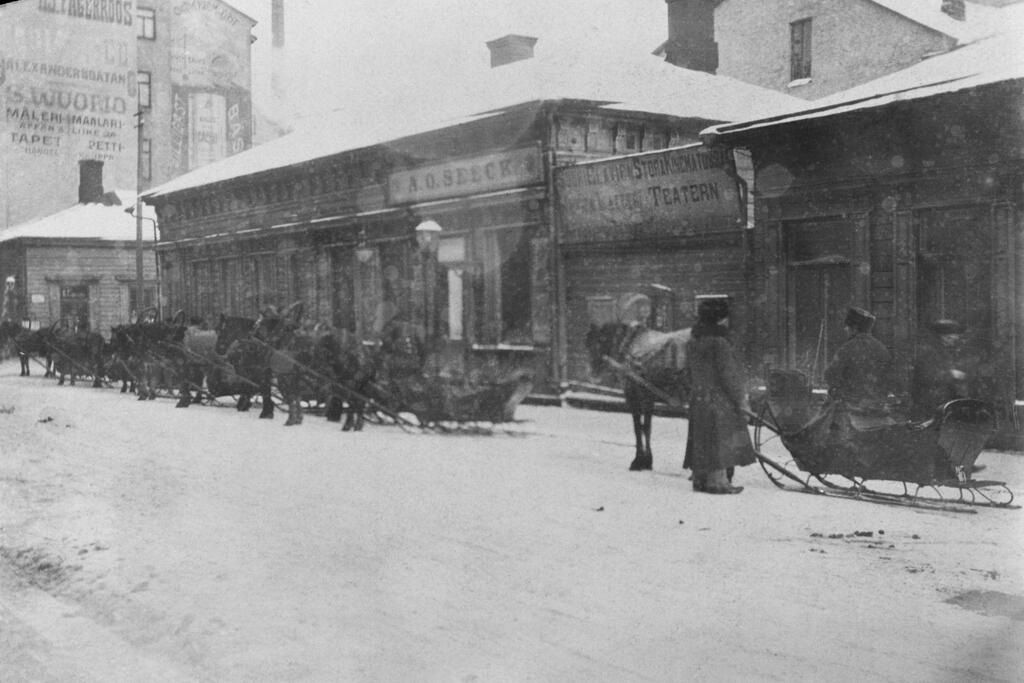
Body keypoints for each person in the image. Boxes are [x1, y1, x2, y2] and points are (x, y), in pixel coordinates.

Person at [682, 298, 756, 494]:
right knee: (719, 439)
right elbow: (728, 375)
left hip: (699, 398)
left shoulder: (693, 341)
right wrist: (741, 399)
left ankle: (700, 480)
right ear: (721, 319)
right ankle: (718, 482)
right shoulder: (720, 343)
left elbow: (687, 372)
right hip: (719, 399)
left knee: (701, 438)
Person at [824, 307, 894, 414]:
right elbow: (890, 380)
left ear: (855, 328)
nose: (845, 329)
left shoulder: (847, 348)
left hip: (852, 408)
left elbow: (830, 375)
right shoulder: (882, 349)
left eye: (847, 327)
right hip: (878, 408)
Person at [910, 318, 973, 420]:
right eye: (951, 338)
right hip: (928, 402)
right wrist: (951, 374)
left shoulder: (944, 350)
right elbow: (926, 376)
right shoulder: (929, 351)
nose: (953, 341)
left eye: (955, 338)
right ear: (943, 337)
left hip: (940, 401)